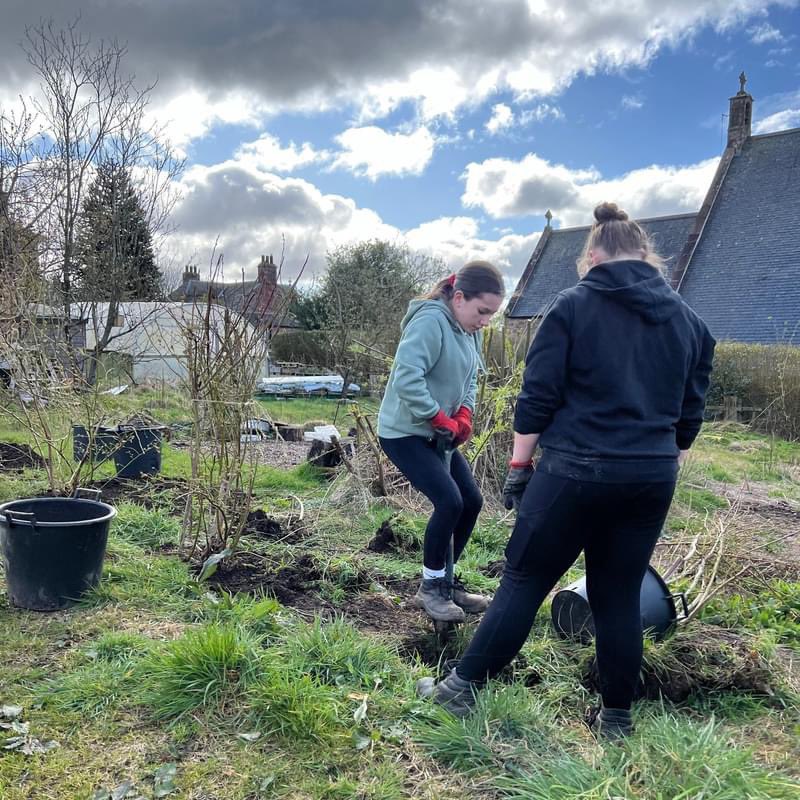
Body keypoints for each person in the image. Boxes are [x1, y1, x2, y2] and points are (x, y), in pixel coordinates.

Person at [419, 203, 716, 739]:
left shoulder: (572, 307)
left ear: (594, 255)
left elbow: (537, 400)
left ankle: (458, 691)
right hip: (649, 479)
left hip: (574, 472)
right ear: (644, 254)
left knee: (525, 580)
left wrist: (519, 465)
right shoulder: (690, 322)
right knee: (618, 594)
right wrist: (658, 460)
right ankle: (616, 719)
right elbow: (689, 417)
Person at [378, 261, 505, 622]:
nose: (485, 321)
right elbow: (406, 377)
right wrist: (436, 415)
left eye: (491, 315)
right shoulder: (430, 322)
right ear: (459, 297)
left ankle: (446, 582)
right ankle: (430, 589)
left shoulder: (470, 330)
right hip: (404, 432)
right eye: (482, 312)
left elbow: (469, 379)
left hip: (440, 432)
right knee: (449, 501)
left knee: (471, 501)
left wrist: (464, 414)